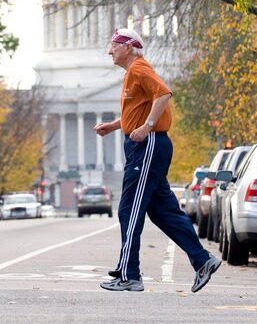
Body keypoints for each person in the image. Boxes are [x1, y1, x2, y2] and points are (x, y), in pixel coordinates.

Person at [94, 27, 220, 293]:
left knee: (129, 208)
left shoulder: (139, 68)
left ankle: (130, 275)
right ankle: (202, 260)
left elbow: (163, 94)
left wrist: (148, 126)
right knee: (163, 212)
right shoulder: (133, 73)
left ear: (128, 47)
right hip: (147, 146)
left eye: (114, 45)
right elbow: (138, 111)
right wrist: (116, 125)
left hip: (148, 146)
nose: (110, 50)